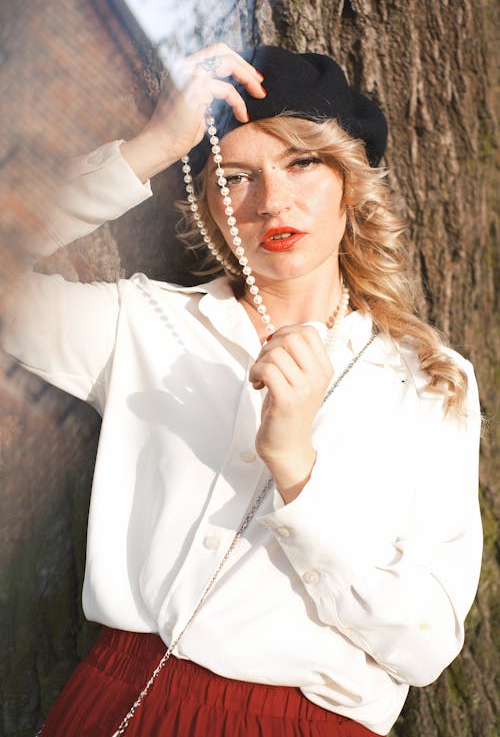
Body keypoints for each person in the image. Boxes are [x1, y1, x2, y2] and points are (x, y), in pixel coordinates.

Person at [2, 44, 482, 737]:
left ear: (351, 179)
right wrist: (152, 147)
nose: (271, 201)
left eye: (301, 162)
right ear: (210, 208)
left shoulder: (429, 377)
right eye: (235, 177)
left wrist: (297, 471)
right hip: (118, 702)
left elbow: (427, 644)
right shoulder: (142, 323)